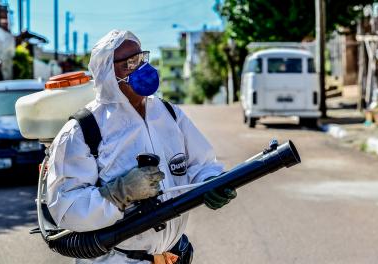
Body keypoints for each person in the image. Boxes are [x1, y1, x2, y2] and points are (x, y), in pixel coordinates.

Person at [46, 29, 237, 264]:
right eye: (129, 63)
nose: (141, 68)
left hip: (169, 257)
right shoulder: (83, 130)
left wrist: (212, 182)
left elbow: (202, 164)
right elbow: (64, 208)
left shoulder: (169, 114)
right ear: (108, 73)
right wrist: (118, 193)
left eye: (140, 58)